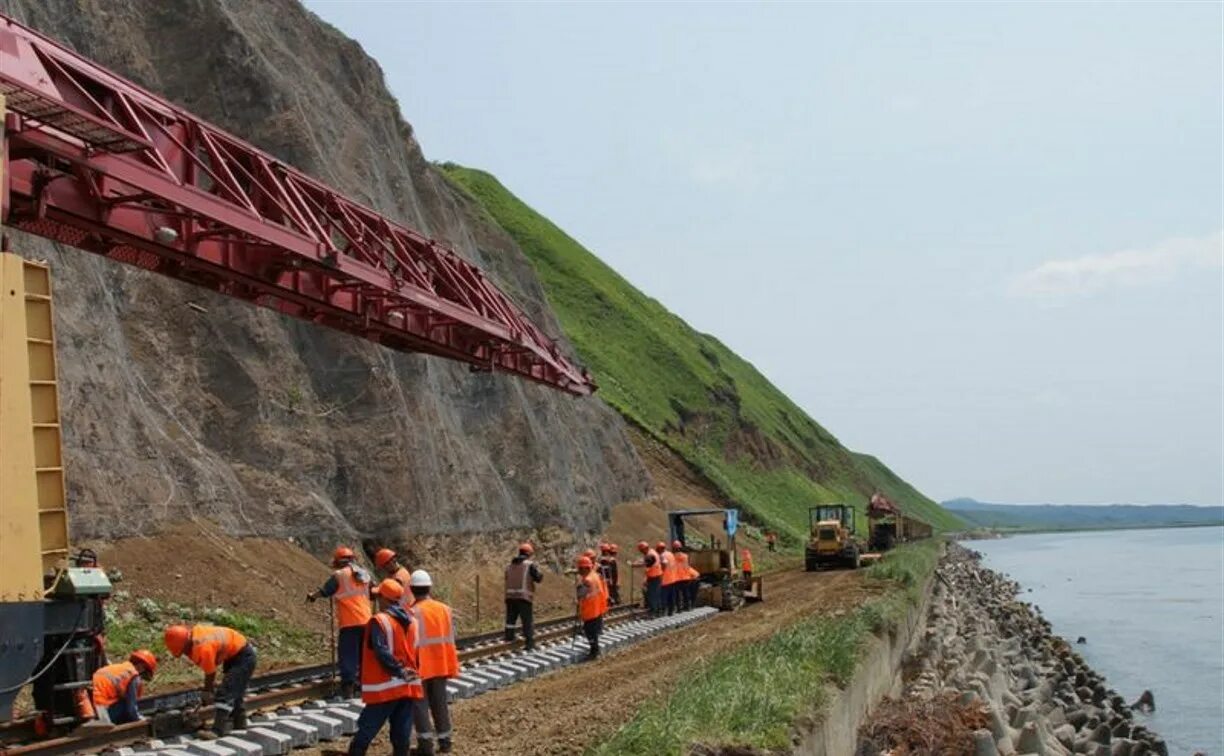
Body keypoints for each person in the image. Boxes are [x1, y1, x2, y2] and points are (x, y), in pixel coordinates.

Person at [348, 578, 423, 756]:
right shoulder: (412, 621)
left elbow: (381, 652)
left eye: (379, 595)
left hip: (386, 687)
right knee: (401, 732)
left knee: (366, 729)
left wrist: (398, 671)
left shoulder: (380, 621)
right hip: (408, 686)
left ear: (384, 598)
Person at [163, 623, 256, 737]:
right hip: (236, 654)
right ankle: (240, 723)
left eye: (184, 651)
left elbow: (210, 673)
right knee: (235, 691)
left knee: (225, 692)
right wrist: (208, 690)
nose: (186, 655)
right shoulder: (196, 636)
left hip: (243, 657)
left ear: (185, 643)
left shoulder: (202, 647)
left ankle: (217, 730)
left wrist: (208, 692)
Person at [307, 546, 373, 698]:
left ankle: (348, 689)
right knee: (365, 655)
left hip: (350, 622)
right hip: (367, 621)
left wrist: (312, 596)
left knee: (348, 655)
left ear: (338, 561)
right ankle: (364, 686)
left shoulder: (339, 575)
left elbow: (325, 591)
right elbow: (373, 592)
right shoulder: (364, 574)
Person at [407, 570, 460, 754]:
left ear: (412, 589)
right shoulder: (445, 609)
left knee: (420, 706)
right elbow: (453, 634)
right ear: (429, 587)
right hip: (442, 663)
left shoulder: (411, 612)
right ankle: (445, 742)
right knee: (440, 703)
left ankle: (425, 746)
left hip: (421, 665)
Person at [91, 650, 156, 725]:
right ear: (142, 667)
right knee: (126, 703)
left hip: (90, 709)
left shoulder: (118, 668)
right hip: (103, 713)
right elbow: (131, 709)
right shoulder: (132, 675)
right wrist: (140, 720)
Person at [504, 542, 543, 650]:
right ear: (529, 554)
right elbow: (539, 578)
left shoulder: (509, 566)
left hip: (510, 597)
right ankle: (530, 644)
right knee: (527, 621)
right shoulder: (529, 565)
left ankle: (509, 638)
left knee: (510, 620)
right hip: (523, 597)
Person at [575, 556, 607, 661]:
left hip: (590, 610)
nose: (578, 570)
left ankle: (594, 652)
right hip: (597, 608)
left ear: (585, 568)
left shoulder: (587, 580)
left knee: (590, 632)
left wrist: (578, 584)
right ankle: (595, 650)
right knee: (594, 631)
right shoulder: (595, 576)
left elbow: (580, 594)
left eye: (580, 568)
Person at [633, 541, 663, 617]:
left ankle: (653, 612)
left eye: (641, 550)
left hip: (655, 577)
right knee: (653, 594)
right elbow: (645, 561)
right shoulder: (651, 552)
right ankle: (657, 611)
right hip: (653, 576)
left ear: (644, 549)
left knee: (652, 594)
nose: (641, 552)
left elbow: (646, 563)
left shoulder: (650, 555)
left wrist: (635, 565)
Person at [657, 541, 678, 616]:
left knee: (664, 597)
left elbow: (664, 564)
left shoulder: (663, 555)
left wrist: (661, 572)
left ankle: (663, 612)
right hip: (672, 578)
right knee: (671, 597)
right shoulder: (670, 554)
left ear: (660, 549)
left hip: (665, 580)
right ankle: (671, 611)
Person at [672, 542, 692, 612]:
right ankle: (688, 607)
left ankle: (679, 608)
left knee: (677, 594)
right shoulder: (686, 556)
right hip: (686, 577)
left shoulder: (673, 556)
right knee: (686, 592)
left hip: (677, 578)